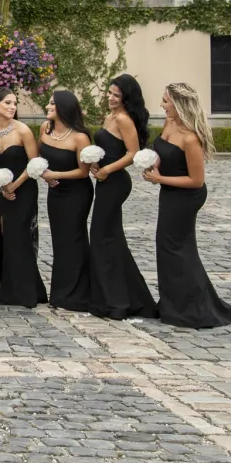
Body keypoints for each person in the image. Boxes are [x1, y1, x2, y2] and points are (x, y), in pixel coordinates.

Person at [143, 83, 231, 329]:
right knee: (166, 247)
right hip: (169, 192)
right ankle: (172, 303)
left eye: (165, 101)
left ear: (179, 104)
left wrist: (159, 178)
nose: (162, 105)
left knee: (178, 249)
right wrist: (155, 166)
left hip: (187, 196)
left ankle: (193, 308)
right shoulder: (169, 124)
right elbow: (163, 151)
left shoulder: (190, 138)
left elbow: (196, 180)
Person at [88, 74, 158, 320]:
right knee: (109, 238)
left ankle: (116, 300)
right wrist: (96, 164)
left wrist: (107, 169)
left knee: (102, 236)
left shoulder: (125, 119)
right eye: (109, 93)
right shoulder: (110, 116)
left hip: (116, 182)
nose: (110, 98)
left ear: (126, 98)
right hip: (104, 181)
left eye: (116, 95)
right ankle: (114, 296)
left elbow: (133, 153)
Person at [0, 87, 47, 308]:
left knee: (22, 236)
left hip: (25, 187)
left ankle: (27, 293)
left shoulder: (22, 130)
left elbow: (34, 163)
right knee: (8, 238)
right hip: (4, 189)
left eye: (14, 103)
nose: (12, 107)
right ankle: (11, 291)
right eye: (7, 103)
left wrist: (15, 184)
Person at [38, 90, 92, 312]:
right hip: (55, 193)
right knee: (59, 240)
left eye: (52, 103)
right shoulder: (44, 129)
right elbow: (38, 159)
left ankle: (79, 294)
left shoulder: (80, 137)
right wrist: (43, 173)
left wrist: (55, 175)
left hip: (76, 193)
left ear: (64, 108)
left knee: (74, 239)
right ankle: (60, 293)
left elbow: (83, 172)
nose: (48, 106)